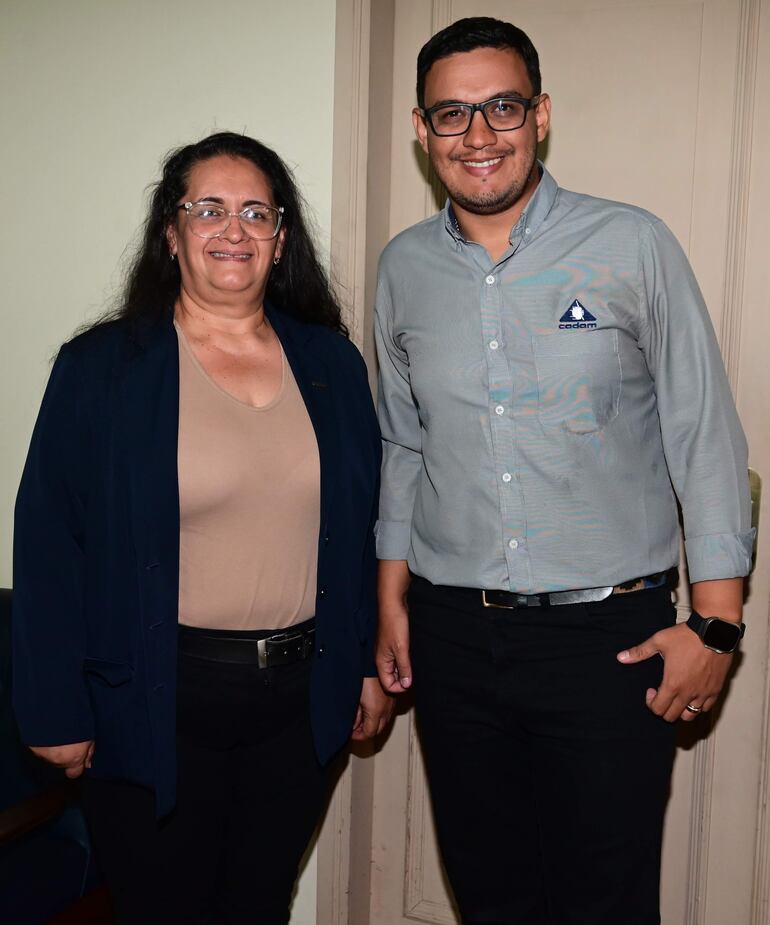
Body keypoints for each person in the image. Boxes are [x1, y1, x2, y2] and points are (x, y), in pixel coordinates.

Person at [374, 17, 753, 925]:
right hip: (453, 634)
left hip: (606, 640)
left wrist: (718, 624)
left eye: (501, 106)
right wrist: (389, 600)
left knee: (603, 902)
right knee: (492, 891)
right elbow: (403, 443)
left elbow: (705, 436)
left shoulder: (633, 243)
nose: (479, 135)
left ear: (540, 115)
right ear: (422, 132)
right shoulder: (403, 269)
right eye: (452, 114)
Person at [13, 131, 391, 925]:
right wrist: (53, 709)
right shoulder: (102, 368)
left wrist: (361, 664)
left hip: (299, 702)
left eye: (257, 212)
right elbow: (51, 542)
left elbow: (361, 531)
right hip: (153, 697)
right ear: (171, 232)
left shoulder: (332, 363)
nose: (234, 229)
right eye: (209, 209)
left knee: (258, 903)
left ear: (280, 238)